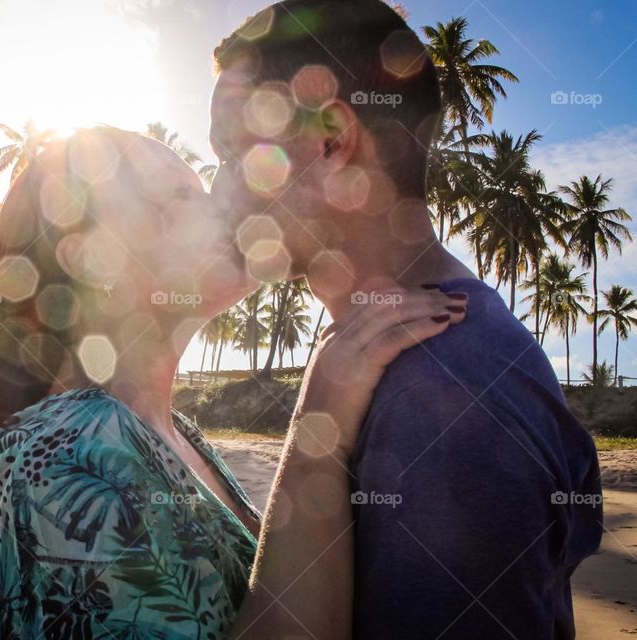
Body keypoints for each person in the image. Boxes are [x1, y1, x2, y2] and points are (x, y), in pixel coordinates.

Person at [0, 126, 468, 639]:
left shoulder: (169, 432)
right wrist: (315, 443)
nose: (222, 207)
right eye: (179, 197)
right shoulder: (66, 456)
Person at [209, 1, 603, 638]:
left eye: (233, 152)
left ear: (330, 141)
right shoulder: (380, 356)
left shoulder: (449, 393)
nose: (218, 189)